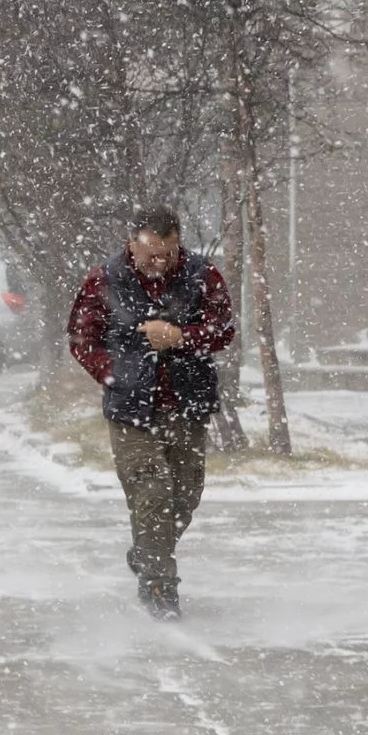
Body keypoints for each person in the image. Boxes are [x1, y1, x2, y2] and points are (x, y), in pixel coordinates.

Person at [66, 205, 235, 621]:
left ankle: (146, 552)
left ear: (178, 243)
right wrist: (115, 374)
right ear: (132, 245)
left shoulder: (201, 275)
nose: (159, 262)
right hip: (130, 408)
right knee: (152, 491)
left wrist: (182, 337)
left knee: (185, 494)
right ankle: (160, 586)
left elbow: (224, 329)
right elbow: (81, 337)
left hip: (188, 402)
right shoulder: (104, 280)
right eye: (150, 254)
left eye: (167, 254)